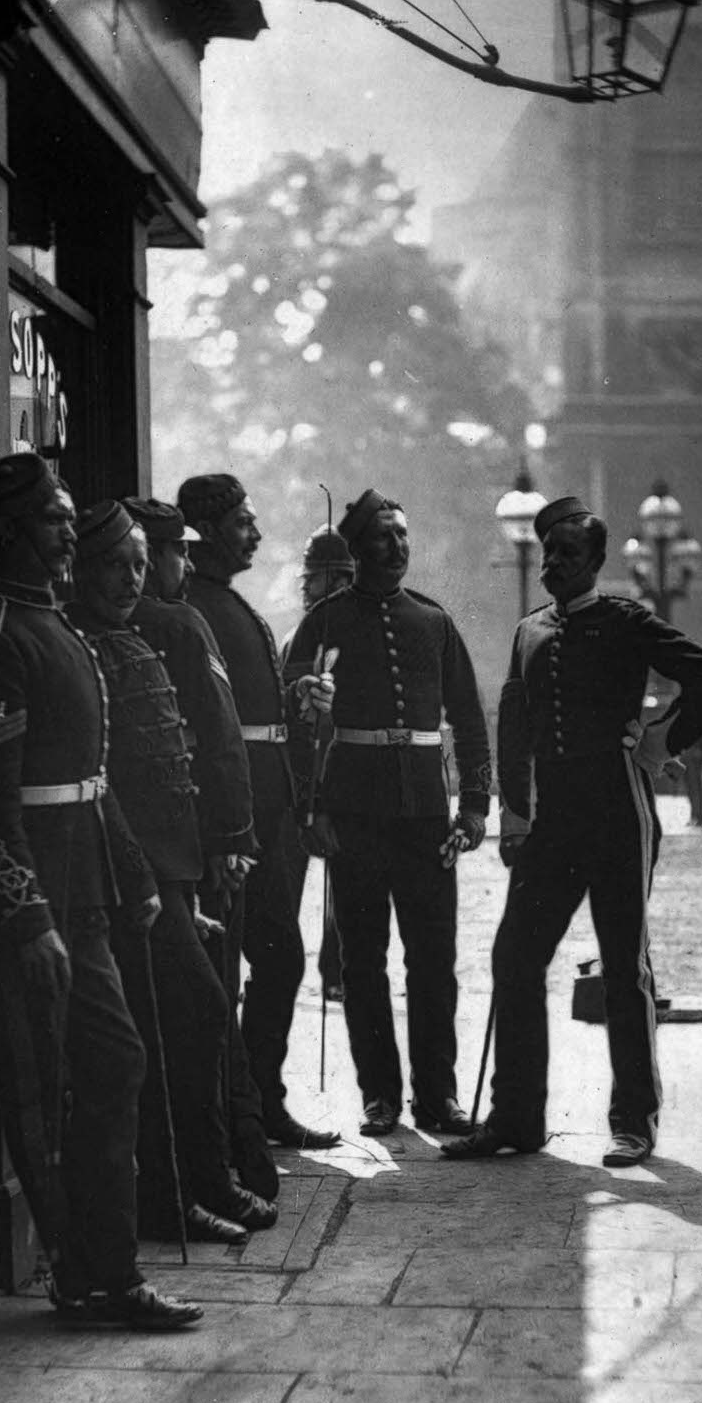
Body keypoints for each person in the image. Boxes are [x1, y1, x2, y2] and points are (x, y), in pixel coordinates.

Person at [0, 453, 201, 1330]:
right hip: (37, 906)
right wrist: (28, 918)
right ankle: (83, 1275)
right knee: (40, 1090)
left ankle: (107, 1268)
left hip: (85, 892)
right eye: (54, 519)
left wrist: (131, 875)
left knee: (114, 1062)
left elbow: (94, 779)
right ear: (13, 529)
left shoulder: (54, 626)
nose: (68, 532)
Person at [443, 495, 702, 1168]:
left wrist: (661, 739)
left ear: (596, 562)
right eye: (547, 552)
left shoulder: (626, 622)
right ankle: (516, 1118)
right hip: (553, 822)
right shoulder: (529, 632)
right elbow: (513, 726)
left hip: (616, 811)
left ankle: (633, 1121)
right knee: (515, 957)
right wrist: (515, 815)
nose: (552, 564)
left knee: (621, 966)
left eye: (566, 554)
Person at [68, 501, 277, 1241]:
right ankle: (181, 1192)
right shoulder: (81, 646)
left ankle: (200, 1182)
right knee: (180, 1018)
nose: (130, 580)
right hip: (125, 878)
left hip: (169, 872)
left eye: (136, 565)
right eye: (114, 566)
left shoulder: (133, 637)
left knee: (187, 1019)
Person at [286, 488, 491, 1139]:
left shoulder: (433, 621)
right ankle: (381, 1098)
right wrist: (311, 807)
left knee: (432, 959)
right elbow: (297, 726)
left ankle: (439, 1099)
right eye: (382, 537)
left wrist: (476, 805)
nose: (397, 547)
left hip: (427, 815)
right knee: (363, 962)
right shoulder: (325, 623)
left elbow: (469, 719)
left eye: (403, 536)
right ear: (356, 549)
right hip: (354, 814)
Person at [178, 473, 341, 1149]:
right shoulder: (195, 609)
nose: (257, 532)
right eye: (244, 521)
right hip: (228, 824)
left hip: (264, 816)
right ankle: (237, 1110)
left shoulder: (228, 607)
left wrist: (296, 697)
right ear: (210, 531)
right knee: (248, 967)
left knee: (277, 959)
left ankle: (254, 1101)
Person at [279, 523, 357, 1003]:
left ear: (341, 580)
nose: (306, 588)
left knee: (346, 890)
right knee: (285, 889)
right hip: (294, 776)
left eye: (314, 578)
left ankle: (337, 970)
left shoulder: (361, 636)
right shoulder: (296, 638)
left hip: (342, 773)